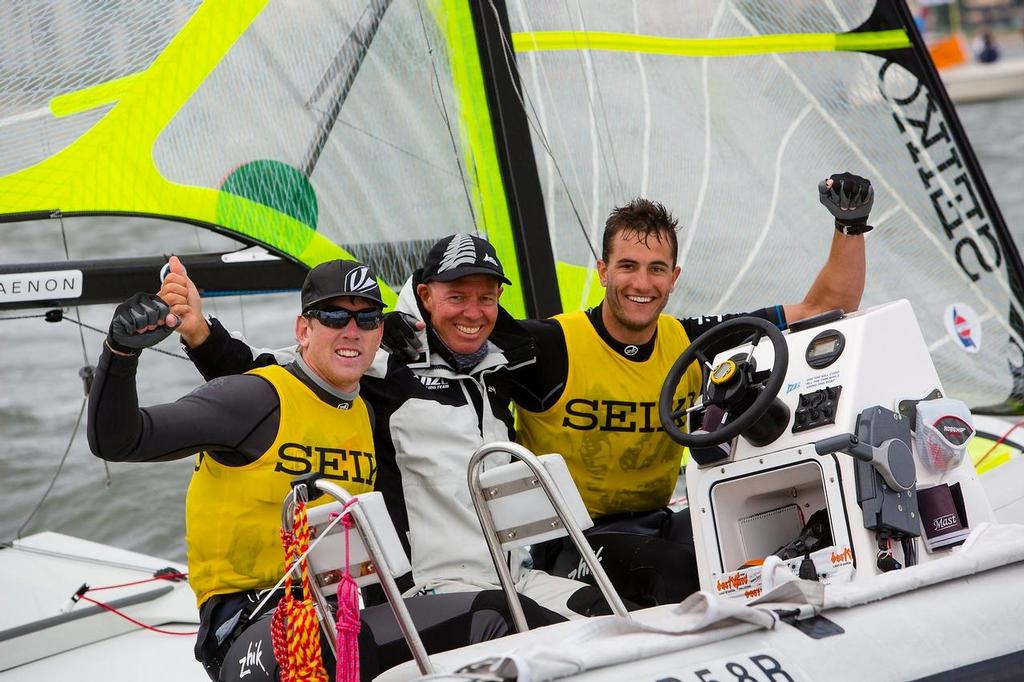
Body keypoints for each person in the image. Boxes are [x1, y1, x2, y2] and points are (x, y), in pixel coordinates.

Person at [386, 172, 874, 607]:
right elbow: (459, 316)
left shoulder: (693, 344)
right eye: (628, 266)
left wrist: (850, 227)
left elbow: (826, 308)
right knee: (676, 572)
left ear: (674, 278)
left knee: (777, 537)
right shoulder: (546, 346)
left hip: (660, 517)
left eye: (656, 268)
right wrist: (392, 325)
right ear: (602, 271)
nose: (641, 283)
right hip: (569, 543)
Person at [87, 259, 538, 681]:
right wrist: (121, 353)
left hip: (341, 609)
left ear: (381, 333)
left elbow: (439, 379)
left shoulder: (366, 412)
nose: (352, 331)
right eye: (334, 317)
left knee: (501, 614)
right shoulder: (252, 399)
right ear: (303, 329)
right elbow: (118, 440)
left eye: (367, 320)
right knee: (347, 641)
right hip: (248, 624)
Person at [161, 239, 624, 623]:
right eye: (457, 296)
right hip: (430, 590)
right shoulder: (380, 367)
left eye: (486, 298)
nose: (474, 311)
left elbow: (604, 342)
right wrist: (201, 333)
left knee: (615, 620)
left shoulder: (500, 366)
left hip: (516, 576)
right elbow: (269, 372)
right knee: (543, 631)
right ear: (424, 295)